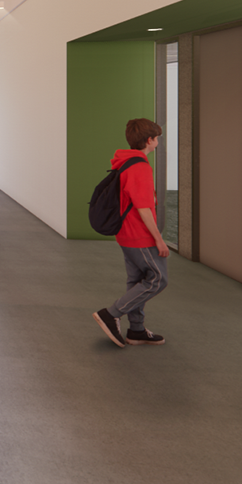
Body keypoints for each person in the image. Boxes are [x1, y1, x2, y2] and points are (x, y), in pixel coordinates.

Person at [93, 118, 172, 348]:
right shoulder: (140, 167)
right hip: (140, 236)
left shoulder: (125, 162)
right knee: (158, 279)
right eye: (157, 138)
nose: (158, 141)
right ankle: (111, 313)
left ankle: (136, 330)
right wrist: (159, 240)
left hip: (126, 233)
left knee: (136, 281)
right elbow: (143, 208)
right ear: (150, 140)